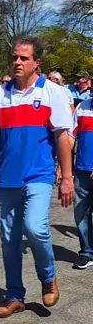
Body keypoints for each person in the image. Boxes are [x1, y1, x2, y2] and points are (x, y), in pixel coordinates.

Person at [0, 36, 74, 318]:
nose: (17, 62)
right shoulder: (1, 94)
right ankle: (14, 295)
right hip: (7, 176)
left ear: (37, 63)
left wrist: (67, 177)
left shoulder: (53, 93)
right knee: (9, 238)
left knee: (35, 228)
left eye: (24, 58)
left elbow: (62, 137)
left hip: (38, 174)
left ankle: (48, 276)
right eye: (14, 57)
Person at [71, 96, 93, 269]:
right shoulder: (82, 107)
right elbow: (71, 136)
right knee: (81, 213)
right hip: (82, 170)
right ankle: (86, 252)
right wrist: (62, 167)